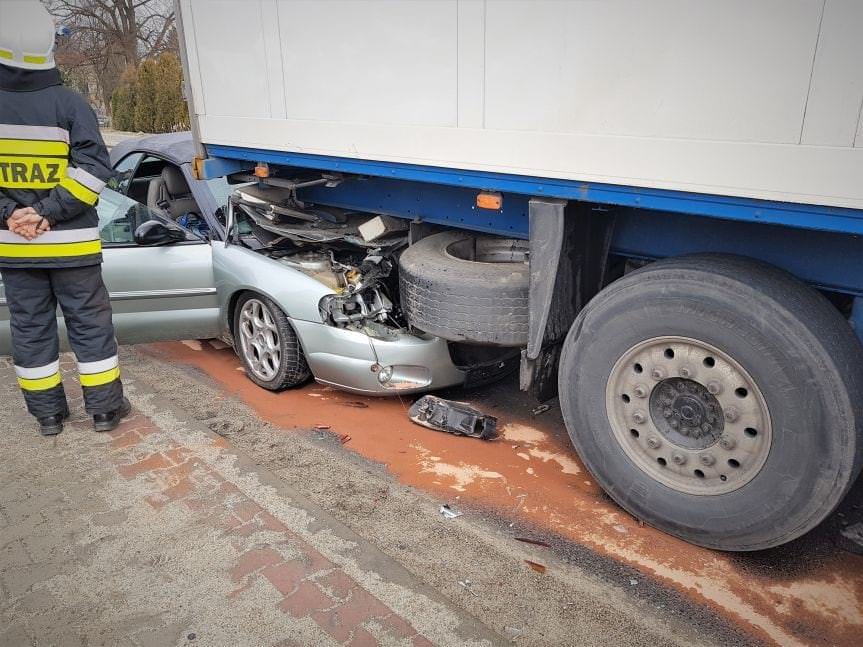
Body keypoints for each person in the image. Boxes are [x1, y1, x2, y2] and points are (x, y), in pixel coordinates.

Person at [0, 0, 130, 435]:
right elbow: (94, 172)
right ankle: (105, 412)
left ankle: (49, 417)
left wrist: (14, 217)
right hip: (73, 246)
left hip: (16, 247)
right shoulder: (70, 104)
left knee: (30, 331)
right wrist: (48, 214)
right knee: (91, 327)